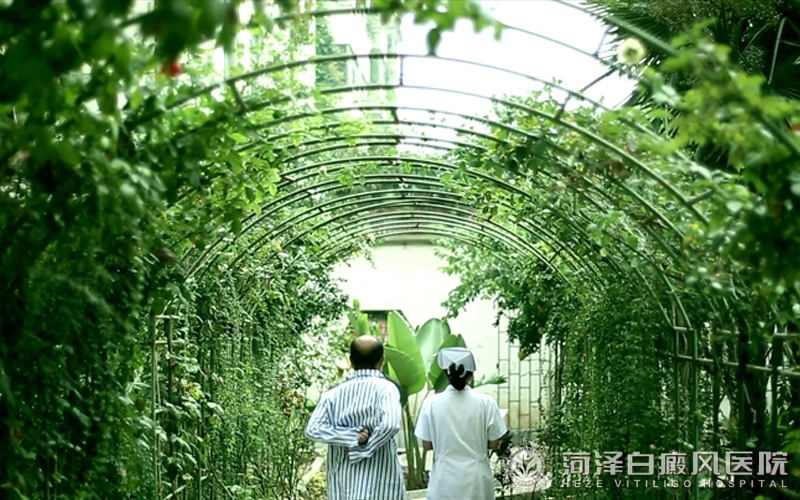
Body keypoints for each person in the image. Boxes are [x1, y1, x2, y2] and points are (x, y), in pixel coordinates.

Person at [305, 335, 405, 500]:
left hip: (344, 482)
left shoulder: (333, 395)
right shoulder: (387, 390)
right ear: (382, 361)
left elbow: (313, 429)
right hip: (381, 482)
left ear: (351, 361)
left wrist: (350, 438)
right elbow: (390, 426)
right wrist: (363, 445)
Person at [414, 347, 507, 500]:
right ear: (470, 375)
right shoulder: (486, 403)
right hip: (477, 480)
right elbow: (494, 444)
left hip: (444, 481)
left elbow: (427, 445)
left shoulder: (430, 404)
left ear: (445, 373)